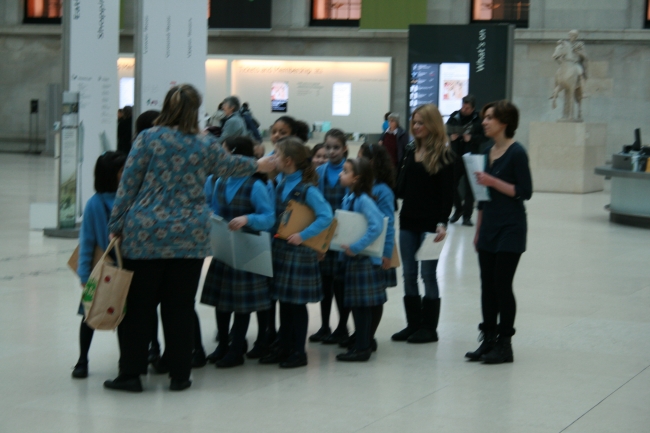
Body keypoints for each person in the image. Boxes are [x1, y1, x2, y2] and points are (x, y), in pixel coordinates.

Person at [104, 84, 276, 393]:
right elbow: (229, 166)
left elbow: (128, 185)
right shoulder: (204, 143)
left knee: (139, 308)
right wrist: (258, 164)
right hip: (190, 234)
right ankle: (180, 375)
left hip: (145, 233)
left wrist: (116, 224)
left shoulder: (147, 139)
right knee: (180, 307)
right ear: (195, 109)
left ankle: (131, 374)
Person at [465, 100, 532, 365]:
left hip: (511, 227)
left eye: (490, 117)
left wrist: (492, 180)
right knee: (486, 286)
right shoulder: (484, 152)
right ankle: (488, 339)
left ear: (504, 122)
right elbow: (482, 197)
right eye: (485, 117)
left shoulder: (517, 153)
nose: (484, 122)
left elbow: (524, 192)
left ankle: (505, 345)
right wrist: (478, 231)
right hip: (490, 225)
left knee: (502, 284)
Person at [200, 136, 275, 368]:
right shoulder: (219, 181)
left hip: (247, 252)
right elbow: (211, 206)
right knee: (222, 303)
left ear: (235, 155)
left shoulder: (256, 185)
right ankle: (223, 344)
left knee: (241, 306)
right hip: (224, 250)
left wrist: (247, 218)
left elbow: (269, 218)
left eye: (223, 152)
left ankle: (235, 349)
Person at [259, 137, 333, 368]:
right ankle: (284, 347)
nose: (273, 159)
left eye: (276, 155)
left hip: (298, 252)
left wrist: (303, 235)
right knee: (283, 301)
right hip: (280, 248)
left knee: (296, 304)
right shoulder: (280, 182)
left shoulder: (307, 189)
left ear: (288, 161)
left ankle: (298, 351)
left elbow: (327, 216)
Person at [392, 104, 454, 344]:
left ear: (432, 125)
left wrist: (442, 222)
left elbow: (447, 195)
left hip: (431, 224)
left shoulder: (445, 155)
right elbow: (401, 188)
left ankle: (429, 328)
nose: (416, 127)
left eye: (421, 123)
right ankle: (413, 324)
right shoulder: (409, 151)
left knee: (428, 274)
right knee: (408, 274)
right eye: (414, 122)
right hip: (408, 220)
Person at [71, 151, 127, 379]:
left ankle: (132, 358)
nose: (128, 173)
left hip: (130, 265)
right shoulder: (95, 204)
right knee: (89, 314)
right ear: (112, 175)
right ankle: (82, 359)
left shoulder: (130, 197)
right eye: (123, 170)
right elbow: (87, 242)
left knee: (130, 317)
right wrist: (84, 274)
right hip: (103, 267)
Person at [336, 158, 385, 362]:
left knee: (362, 307)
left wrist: (356, 247)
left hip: (363, 261)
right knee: (357, 305)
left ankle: (363, 347)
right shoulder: (349, 197)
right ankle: (360, 343)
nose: (340, 174)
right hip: (353, 261)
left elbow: (377, 226)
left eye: (345, 171)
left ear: (356, 178)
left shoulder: (363, 199)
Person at [311, 129, 350, 345]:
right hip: (324, 235)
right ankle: (325, 325)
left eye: (336, 147)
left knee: (341, 284)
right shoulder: (320, 172)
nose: (331, 151)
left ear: (344, 148)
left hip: (344, 234)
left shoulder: (350, 170)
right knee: (324, 284)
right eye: (328, 147)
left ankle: (342, 326)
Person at [358, 143, 398, 351]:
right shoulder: (363, 186)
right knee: (365, 297)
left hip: (378, 249)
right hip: (364, 247)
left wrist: (386, 252)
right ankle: (362, 335)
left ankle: (369, 336)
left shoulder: (382, 190)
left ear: (372, 162)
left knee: (375, 297)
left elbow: (388, 223)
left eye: (361, 158)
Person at [446, 94, 487, 226]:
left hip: (471, 156)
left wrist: (472, 138)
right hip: (455, 156)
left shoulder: (479, 119)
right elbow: (445, 131)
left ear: (473, 108)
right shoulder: (454, 116)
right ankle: (458, 209)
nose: (464, 109)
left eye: (467, 108)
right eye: (463, 106)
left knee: (470, 188)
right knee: (450, 184)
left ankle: (467, 217)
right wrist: (450, 137)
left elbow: (485, 137)